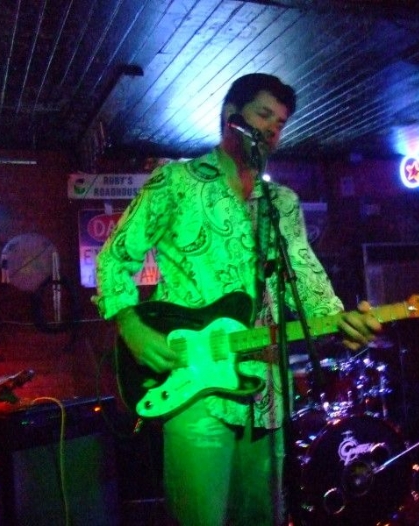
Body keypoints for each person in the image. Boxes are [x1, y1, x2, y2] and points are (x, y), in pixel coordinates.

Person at [92, 73, 381, 526]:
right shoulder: (176, 182)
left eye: (280, 123)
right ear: (231, 116)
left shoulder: (280, 201)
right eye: (263, 115)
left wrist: (339, 323)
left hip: (266, 391)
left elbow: (305, 276)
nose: (271, 129)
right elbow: (114, 258)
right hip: (192, 387)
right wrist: (130, 325)